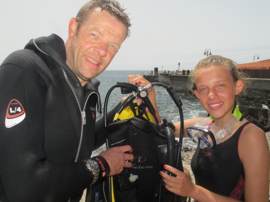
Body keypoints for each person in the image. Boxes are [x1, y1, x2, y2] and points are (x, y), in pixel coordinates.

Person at [0, 0, 134, 201]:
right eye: (95, 35)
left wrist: (124, 106)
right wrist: (102, 165)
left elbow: (78, 138)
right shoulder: (26, 71)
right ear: (74, 28)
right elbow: (24, 188)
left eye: (113, 46)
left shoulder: (84, 89)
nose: (102, 51)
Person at [160, 55, 270, 202]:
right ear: (197, 94)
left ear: (237, 87)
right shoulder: (202, 126)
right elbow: (162, 130)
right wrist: (151, 99)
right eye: (203, 89)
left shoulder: (251, 136)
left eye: (220, 86)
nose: (211, 95)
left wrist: (192, 190)